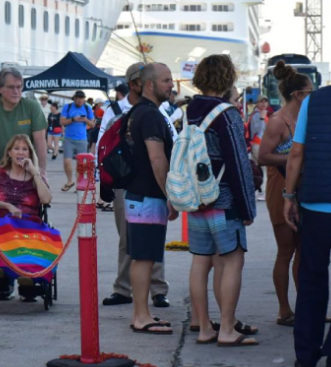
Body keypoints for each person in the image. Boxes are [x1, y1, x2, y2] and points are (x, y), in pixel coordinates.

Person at [284, 40, 331, 367]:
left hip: (315, 206)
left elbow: (296, 153)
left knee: (312, 281)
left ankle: (306, 355)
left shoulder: (313, 100)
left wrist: (288, 196)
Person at [185, 55, 258, 346]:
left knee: (200, 262)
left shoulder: (190, 109)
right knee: (232, 262)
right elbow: (239, 163)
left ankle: (204, 327)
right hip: (224, 199)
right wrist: (247, 207)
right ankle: (227, 328)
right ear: (228, 78)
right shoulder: (226, 113)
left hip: (197, 199)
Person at [101, 68, 169, 308]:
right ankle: (123, 288)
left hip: (147, 185)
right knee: (128, 239)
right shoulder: (115, 110)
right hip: (129, 183)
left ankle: (158, 289)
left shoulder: (158, 110)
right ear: (136, 83)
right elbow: (102, 145)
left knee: (151, 241)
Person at [258, 61, 312, 328]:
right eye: (310, 92)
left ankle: (306, 306)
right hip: (279, 190)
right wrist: (292, 158)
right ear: (298, 94)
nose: (313, 96)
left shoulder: (307, 118)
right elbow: (262, 156)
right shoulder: (278, 121)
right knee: (286, 250)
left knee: (305, 251)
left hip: (304, 190)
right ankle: (283, 309)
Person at [125, 63, 177, 335]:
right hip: (147, 197)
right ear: (149, 84)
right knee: (144, 258)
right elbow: (157, 158)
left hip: (139, 195)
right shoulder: (151, 116)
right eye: (166, 80)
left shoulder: (138, 112)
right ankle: (141, 316)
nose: (171, 85)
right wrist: (170, 195)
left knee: (142, 257)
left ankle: (142, 313)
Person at [0, 135, 52, 295]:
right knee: (11, 232)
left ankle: (8, 273)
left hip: (28, 227)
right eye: (16, 148)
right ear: (9, 152)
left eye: (25, 149)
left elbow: (46, 199)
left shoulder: (36, 174)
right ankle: (24, 277)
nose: (21, 152)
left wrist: (34, 172)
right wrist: (7, 205)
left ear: (30, 154)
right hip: (0, 226)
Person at [0, 68, 48, 177]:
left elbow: (40, 144)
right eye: (11, 87)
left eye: (19, 87)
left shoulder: (32, 108)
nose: (16, 91)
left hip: (27, 176)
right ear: (0, 88)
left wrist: (41, 175)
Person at [59, 90, 95, 191]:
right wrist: (73, 119)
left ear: (84, 100)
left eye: (82, 100)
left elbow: (92, 124)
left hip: (82, 139)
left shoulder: (87, 108)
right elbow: (62, 121)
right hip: (69, 138)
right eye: (78, 99)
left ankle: (79, 183)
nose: (80, 101)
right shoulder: (68, 107)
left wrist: (85, 120)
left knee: (81, 164)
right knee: (67, 161)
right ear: (74, 99)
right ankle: (70, 181)